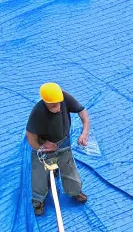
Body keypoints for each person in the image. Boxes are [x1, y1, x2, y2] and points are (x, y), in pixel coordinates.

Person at [27, 82, 91, 216]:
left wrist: (84, 133)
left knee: (69, 166)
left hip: (63, 143)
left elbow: (83, 113)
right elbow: (31, 137)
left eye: (58, 104)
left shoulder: (65, 98)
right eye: (53, 106)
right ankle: (38, 200)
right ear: (45, 102)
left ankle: (75, 191)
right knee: (39, 172)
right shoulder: (38, 112)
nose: (58, 109)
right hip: (45, 145)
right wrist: (41, 147)